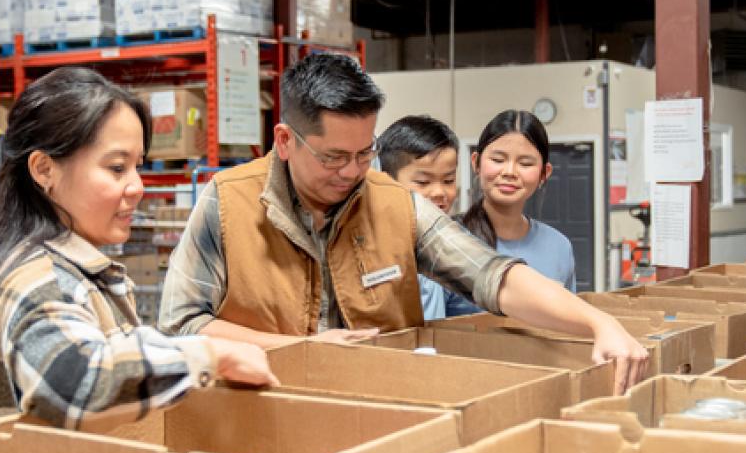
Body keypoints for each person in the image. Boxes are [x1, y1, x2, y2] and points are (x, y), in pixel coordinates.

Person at [159, 52, 649, 394]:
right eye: (333, 156)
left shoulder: (394, 204)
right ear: (286, 140)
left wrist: (597, 322)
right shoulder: (226, 204)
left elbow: (491, 275)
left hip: (383, 414)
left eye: (364, 152)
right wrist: (303, 348)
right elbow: (182, 326)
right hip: (265, 414)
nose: (352, 171)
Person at [0, 67, 278, 430]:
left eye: (137, 166)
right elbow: (77, 385)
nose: (137, 186)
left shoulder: (74, 270)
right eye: (116, 168)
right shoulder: (39, 280)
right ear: (44, 168)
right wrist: (209, 356)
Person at [447, 109, 574, 316]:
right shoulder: (448, 240)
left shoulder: (559, 247)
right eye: (498, 160)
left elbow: (568, 323)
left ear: (544, 173)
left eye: (525, 163)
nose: (510, 172)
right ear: (476, 163)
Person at [376, 114, 459, 321]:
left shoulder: (445, 244)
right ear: (386, 181)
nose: (440, 192)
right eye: (423, 182)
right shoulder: (376, 246)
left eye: (448, 180)